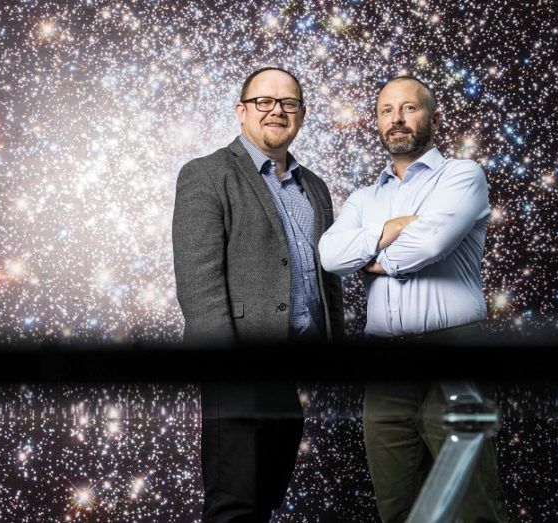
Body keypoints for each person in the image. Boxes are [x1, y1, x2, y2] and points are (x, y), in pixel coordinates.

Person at [318, 76, 508, 522]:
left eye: (409, 108)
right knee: (397, 503)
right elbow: (329, 255)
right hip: (385, 362)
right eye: (387, 111)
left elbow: (428, 245)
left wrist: (371, 256)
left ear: (433, 117)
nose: (397, 119)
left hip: (455, 351)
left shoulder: (463, 175)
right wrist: (394, 227)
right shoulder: (365, 198)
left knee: (472, 500)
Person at [172, 67, 343, 522]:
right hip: (238, 364)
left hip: (289, 370)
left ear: (301, 114)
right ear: (241, 111)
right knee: (235, 503)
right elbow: (198, 283)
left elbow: (327, 278)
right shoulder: (207, 174)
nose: (276, 111)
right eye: (264, 102)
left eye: (288, 103)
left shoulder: (316, 187)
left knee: (265, 496)